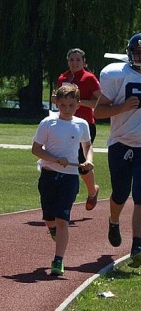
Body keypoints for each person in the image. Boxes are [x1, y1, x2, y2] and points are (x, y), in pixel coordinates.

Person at [32, 84, 94, 276]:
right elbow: (36, 149)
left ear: (78, 105)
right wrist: (54, 159)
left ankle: (58, 260)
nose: (67, 109)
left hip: (70, 178)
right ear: (56, 103)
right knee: (49, 218)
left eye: (71, 105)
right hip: (49, 175)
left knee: (62, 219)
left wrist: (89, 160)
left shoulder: (82, 124)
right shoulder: (47, 123)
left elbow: (87, 146)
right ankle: (52, 229)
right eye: (63, 105)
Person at [95, 33, 141, 266]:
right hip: (121, 142)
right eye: (137, 53)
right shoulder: (117, 75)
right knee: (121, 192)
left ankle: (137, 245)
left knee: (140, 196)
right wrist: (122, 107)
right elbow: (98, 112)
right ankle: (113, 221)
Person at [56, 48, 101, 209]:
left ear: (84, 62)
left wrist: (81, 103)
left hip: (85, 124)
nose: (74, 63)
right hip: (65, 123)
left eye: (78, 60)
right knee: (64, 158)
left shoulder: (89, 78)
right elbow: (59, 99)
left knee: (82, 162)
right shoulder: (63, 77)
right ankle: (65, 195)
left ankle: (92, 192)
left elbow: (101, 101)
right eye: (71, 60)